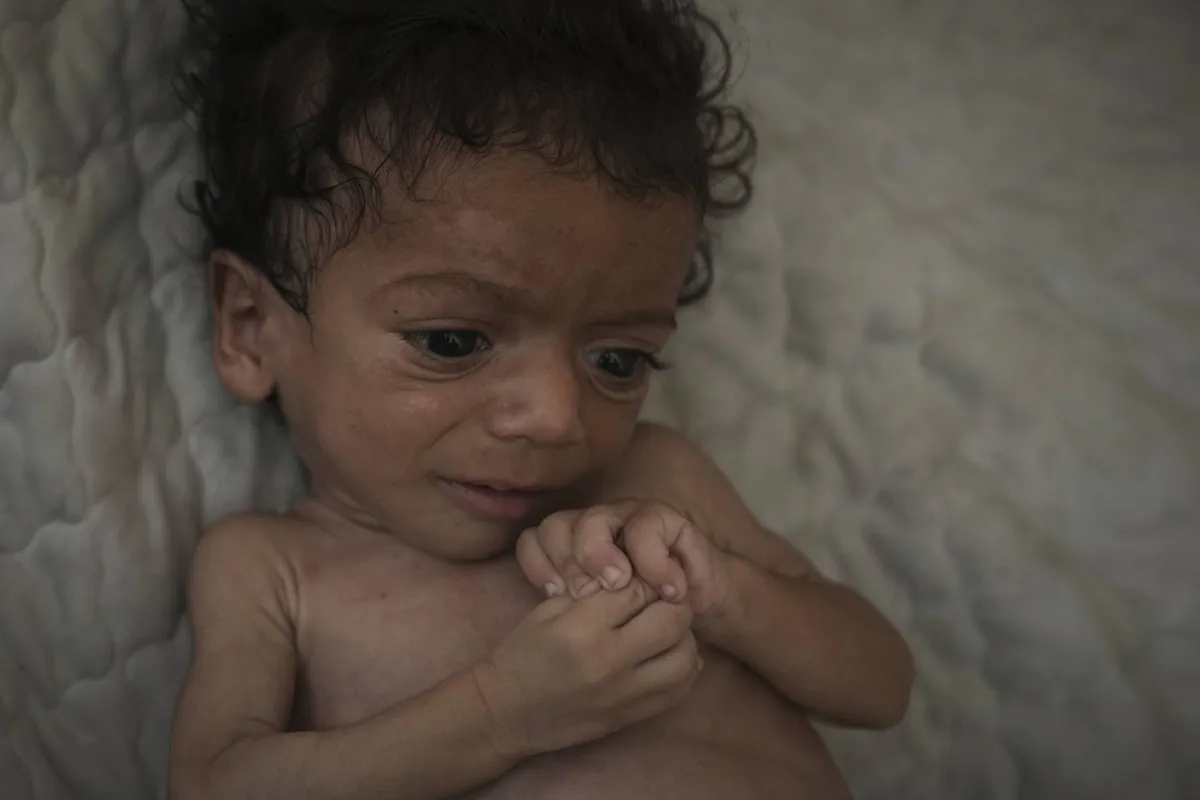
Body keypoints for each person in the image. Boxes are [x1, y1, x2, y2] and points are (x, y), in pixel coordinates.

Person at [168, 1, 915, 798]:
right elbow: (213, 787)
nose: (558, 417)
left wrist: (727, 593)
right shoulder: (273, 571)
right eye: (452, 342)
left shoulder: (660, 485)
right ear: (250, 328)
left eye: (618, 359)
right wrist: (503, 714)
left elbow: (882, 686)